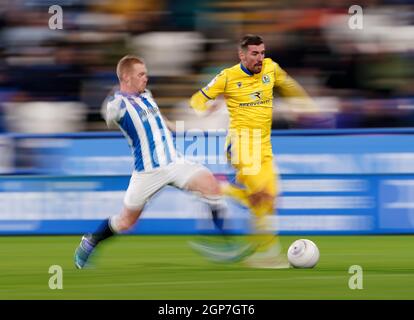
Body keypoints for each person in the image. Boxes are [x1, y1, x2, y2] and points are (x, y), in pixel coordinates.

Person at [74, 55, 245, 269]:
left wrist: (178, 128)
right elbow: (108, 113)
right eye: (141, 74)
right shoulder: (119, 104)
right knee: (126, 222)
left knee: (211, 186)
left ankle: (228, 245)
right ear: (126, 77)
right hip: (148, 171)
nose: (146, 77)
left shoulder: (147, 95)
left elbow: (159, 120)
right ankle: (91, 240)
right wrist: (111, 101)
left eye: (146, 73)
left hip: (174, 162)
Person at [190, 34, 318, 268]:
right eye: (254, 53)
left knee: (270, 200)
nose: (260, 58)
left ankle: (221, 189)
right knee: (263, 196)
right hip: (241, 144)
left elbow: (290, 86)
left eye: (262, 53)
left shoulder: (271, 68)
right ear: (242, 55)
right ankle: (269, 254)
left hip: (264, 147)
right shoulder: (227, 76)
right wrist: (210, 107)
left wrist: (307, 107)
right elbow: (196, 101)